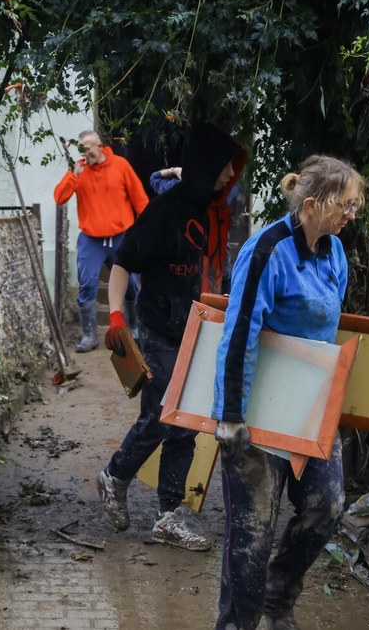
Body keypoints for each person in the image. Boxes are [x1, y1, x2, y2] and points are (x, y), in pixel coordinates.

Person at [210, 155, 365, 630]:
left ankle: (280, 596)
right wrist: (230, 413)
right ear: (313, 204)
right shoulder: (267, 250)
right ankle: (237, 624)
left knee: (327, 507)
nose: (352, 214)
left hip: (309, 403)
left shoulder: (334, 251)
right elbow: (239, 333)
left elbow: (326, 332)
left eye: (356, 205)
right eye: (346, 205)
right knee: (252, 533)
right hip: (256, 409)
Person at [94, 124, 248, 551]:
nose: (226, 178)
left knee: (186, 426)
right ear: (202, 168)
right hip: (158, 328)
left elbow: (217, 272)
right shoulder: (164, 213)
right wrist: (117, 318)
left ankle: (168, 515)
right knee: (164, 413)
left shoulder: (218, 213)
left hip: (200, 331)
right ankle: (115, 475)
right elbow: (123, 263)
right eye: (221, 171)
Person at [53, 130, 150, 352]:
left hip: (121, 237)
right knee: (86, 284)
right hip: (91, 239)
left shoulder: (121, 165)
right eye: (81, 149)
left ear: (100, 145)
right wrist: (73, 175)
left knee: (132, 287)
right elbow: (59, 197)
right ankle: (89, 336)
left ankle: (134, 329)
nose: (85, 153)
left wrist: (143, 231)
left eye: (87, 148)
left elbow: (140, 199)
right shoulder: (78, 169)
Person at [149, 165, 241, 294]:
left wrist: (174, 170)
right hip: (218, 262)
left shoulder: (174, 188)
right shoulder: (221, 192)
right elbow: (235, 184)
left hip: (185, 263)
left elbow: (154, 178)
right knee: (221, 303)